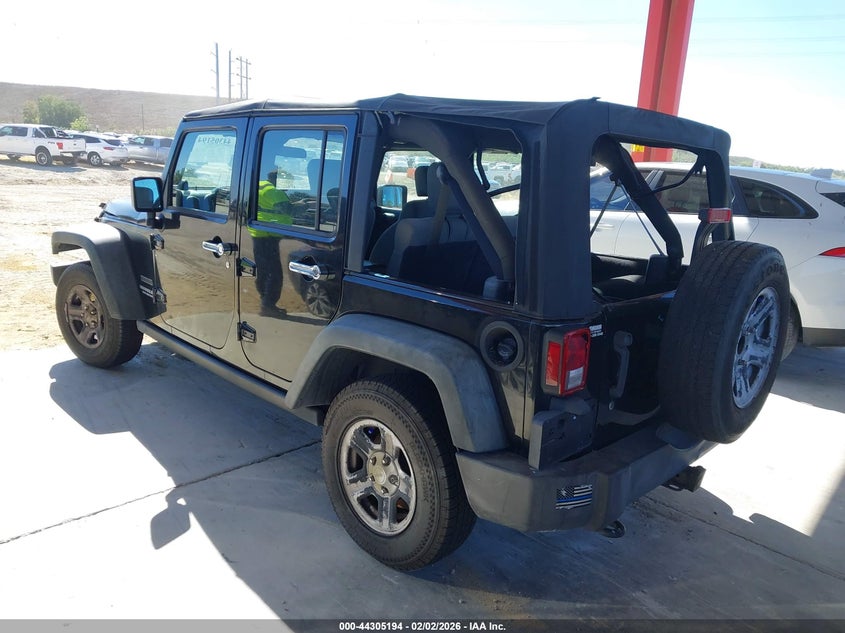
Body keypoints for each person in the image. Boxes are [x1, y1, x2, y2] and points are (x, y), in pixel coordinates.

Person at [250, 170, 292, 317]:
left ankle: (265, 301)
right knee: (275, 274)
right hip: (269, 236)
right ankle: (268, 306)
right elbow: (290, 210)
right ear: (278, 179)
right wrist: (303, 205)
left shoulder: (260, 187)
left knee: (264, 271)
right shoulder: (274, 191)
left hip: (258, 234)